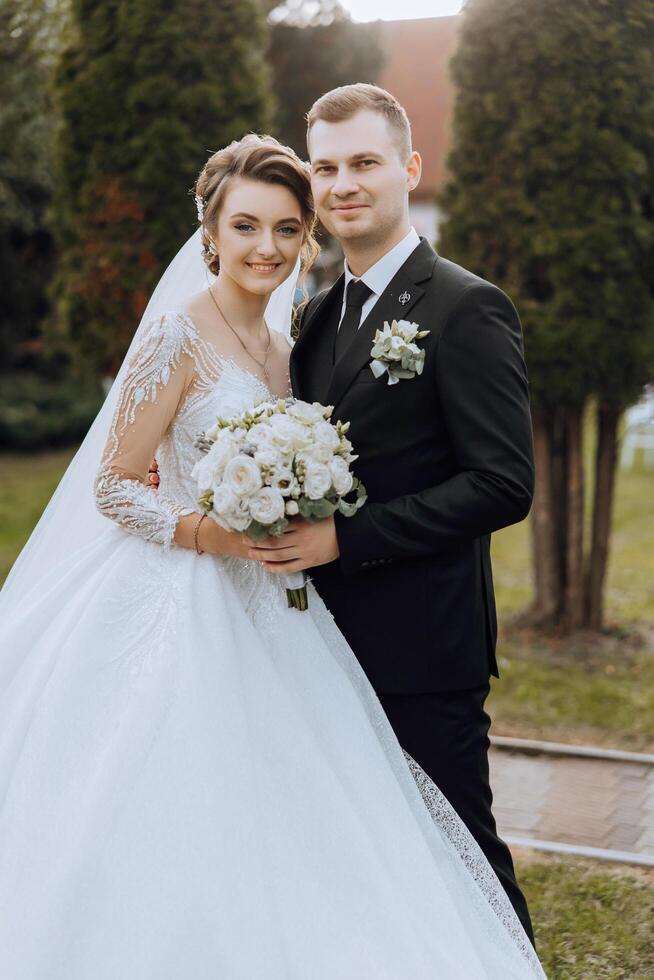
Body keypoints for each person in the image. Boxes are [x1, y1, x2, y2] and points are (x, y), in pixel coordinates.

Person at [0, 133, 544, 979]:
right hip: (181, 599)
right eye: (246, 226)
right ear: (210, 231)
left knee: (302, 806)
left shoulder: (303, 339)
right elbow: (111, 486)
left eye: (287, 230)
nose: (266, 248)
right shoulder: (176, 338)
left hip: (284, 607)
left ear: (306, 239)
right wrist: (204, 531)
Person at [250, 84, 536, 943]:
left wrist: (348, 537)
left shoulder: (466, 306)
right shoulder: (314, 315)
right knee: (355, 858)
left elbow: (502, 483)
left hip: (423, 645)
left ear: (409, 169)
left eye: (363, 163)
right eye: (326, 166)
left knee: (461, 855)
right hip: (317, 642)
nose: (342, 185)